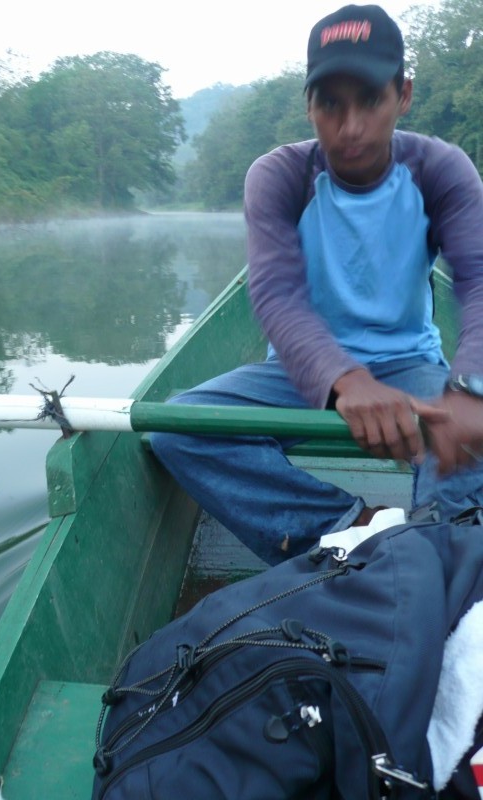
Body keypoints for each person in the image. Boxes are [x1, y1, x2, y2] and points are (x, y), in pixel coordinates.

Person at [150, 3, 483, 566]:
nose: (350, 127)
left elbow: (476, 284)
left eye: (370, 100)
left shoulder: (438, 170)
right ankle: (346, 526)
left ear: (403, 95)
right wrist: (342, 379)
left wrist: (469, 387)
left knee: (468, 453)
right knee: (177, 430)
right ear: (309, 106)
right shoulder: (279, 176)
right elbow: (277, 297)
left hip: (409, 366)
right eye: (331, 104)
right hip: (297, 373)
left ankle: (430, 559)